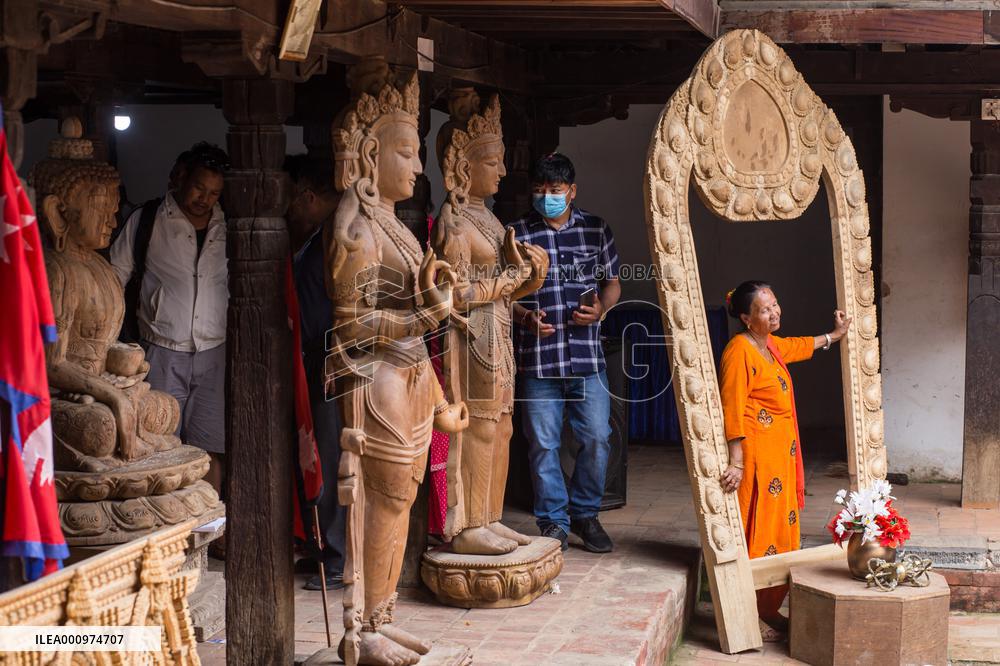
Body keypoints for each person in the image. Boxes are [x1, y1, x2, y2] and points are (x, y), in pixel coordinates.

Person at [719, 280, 851, 641]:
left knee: (782, 530)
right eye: (765, 309)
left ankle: (769, 606)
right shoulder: (739, 351)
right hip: (758, 462)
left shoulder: (769, 345)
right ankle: (752, 607)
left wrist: (835, 335)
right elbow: (732, 405)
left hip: (781, 457)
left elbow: (799, 346)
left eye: (775, 304)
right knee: (760, 532)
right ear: (747, 318)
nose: (774, 312)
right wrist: (737, 461)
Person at [509, 152, 621, 553]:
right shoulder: (516, 234)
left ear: (571, 191)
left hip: (587, 360)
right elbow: (502, 296)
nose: (546, 198)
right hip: (538, 361)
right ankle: (554, 522)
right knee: (543, 445)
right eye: (539, 191)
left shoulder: (595, 229)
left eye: (554, 191)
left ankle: (585, 515)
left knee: (597, 438)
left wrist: (601, 309)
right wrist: (524, 318)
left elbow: (613, 284)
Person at [110, 142, 230, 496]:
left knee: (211, 446)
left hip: (215, 353)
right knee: (160, 443)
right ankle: (166, 529)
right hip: (160, 351)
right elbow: (114, 278)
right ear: (179, 178)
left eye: (214, 193)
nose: (204, 199)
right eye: (198, 188)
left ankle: (210, 524)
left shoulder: (229, 226)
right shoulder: (147, 221)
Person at [284, 153, 347, 591]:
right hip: (312, 358)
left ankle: (338, 556)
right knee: (318, 455)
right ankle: (322, 548)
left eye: (291, 198)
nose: (287, 208)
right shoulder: (316, 235)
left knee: (332, 456)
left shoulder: (336, 237)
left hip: (331, 360)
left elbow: (347, 303)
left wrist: (335, 353)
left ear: (307, 195)